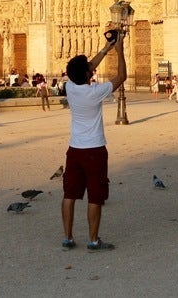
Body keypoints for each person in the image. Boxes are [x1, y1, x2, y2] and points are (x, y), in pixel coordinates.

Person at [60, 28, 127, 252]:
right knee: (95, 197)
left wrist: (106, 49)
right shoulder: (95, 92)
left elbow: (85, 69)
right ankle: (93, 240)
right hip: (94, 150)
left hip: (74, 149)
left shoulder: (70, 87)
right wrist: (119, 50)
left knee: (69, 194)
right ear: (89, 74)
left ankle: (68, 237)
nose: (92, 67)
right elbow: (121, 77)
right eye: (90, 68)